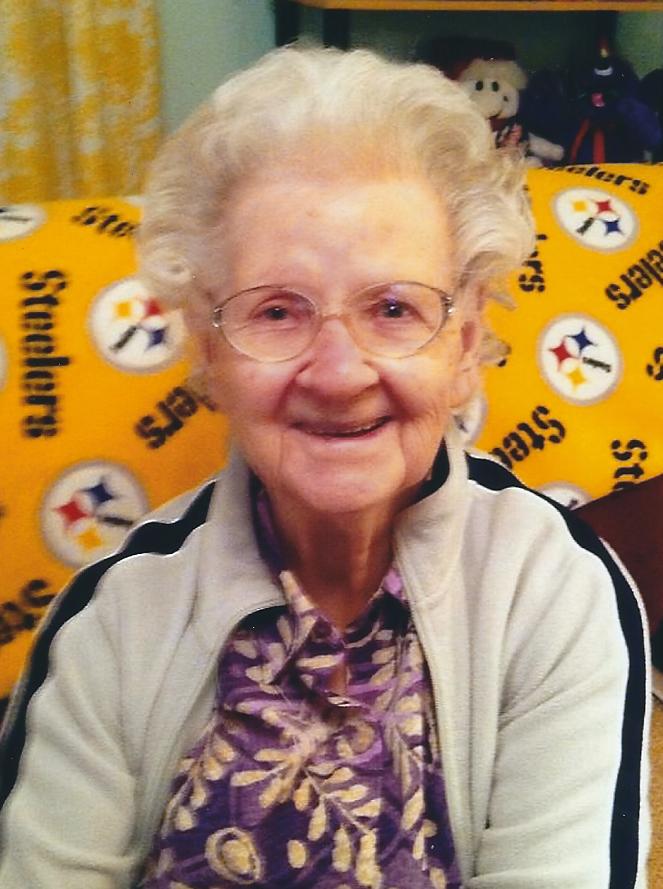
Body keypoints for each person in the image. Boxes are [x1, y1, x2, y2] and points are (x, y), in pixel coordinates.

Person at [0, 45, 650, 889]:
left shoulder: (554, 590)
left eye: (393, 308)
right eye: (277, 310)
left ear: (462, 346)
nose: (340, 373)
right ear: (209, 352)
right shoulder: (111, 619)